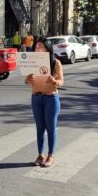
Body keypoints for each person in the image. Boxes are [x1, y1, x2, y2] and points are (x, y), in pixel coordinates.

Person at [25, 37, 64, 167]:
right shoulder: (32, 62)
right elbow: (27, 80)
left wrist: (55, 81)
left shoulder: (55, 62)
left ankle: (50, 155)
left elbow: (61, 81)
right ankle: (40, 155)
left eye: (41, 46)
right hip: (36, 98)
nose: (38, 48)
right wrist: (28, 79)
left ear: (47, 48)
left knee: (51, 128)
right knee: (39, 128)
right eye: (36, 47)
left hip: (51, 98)